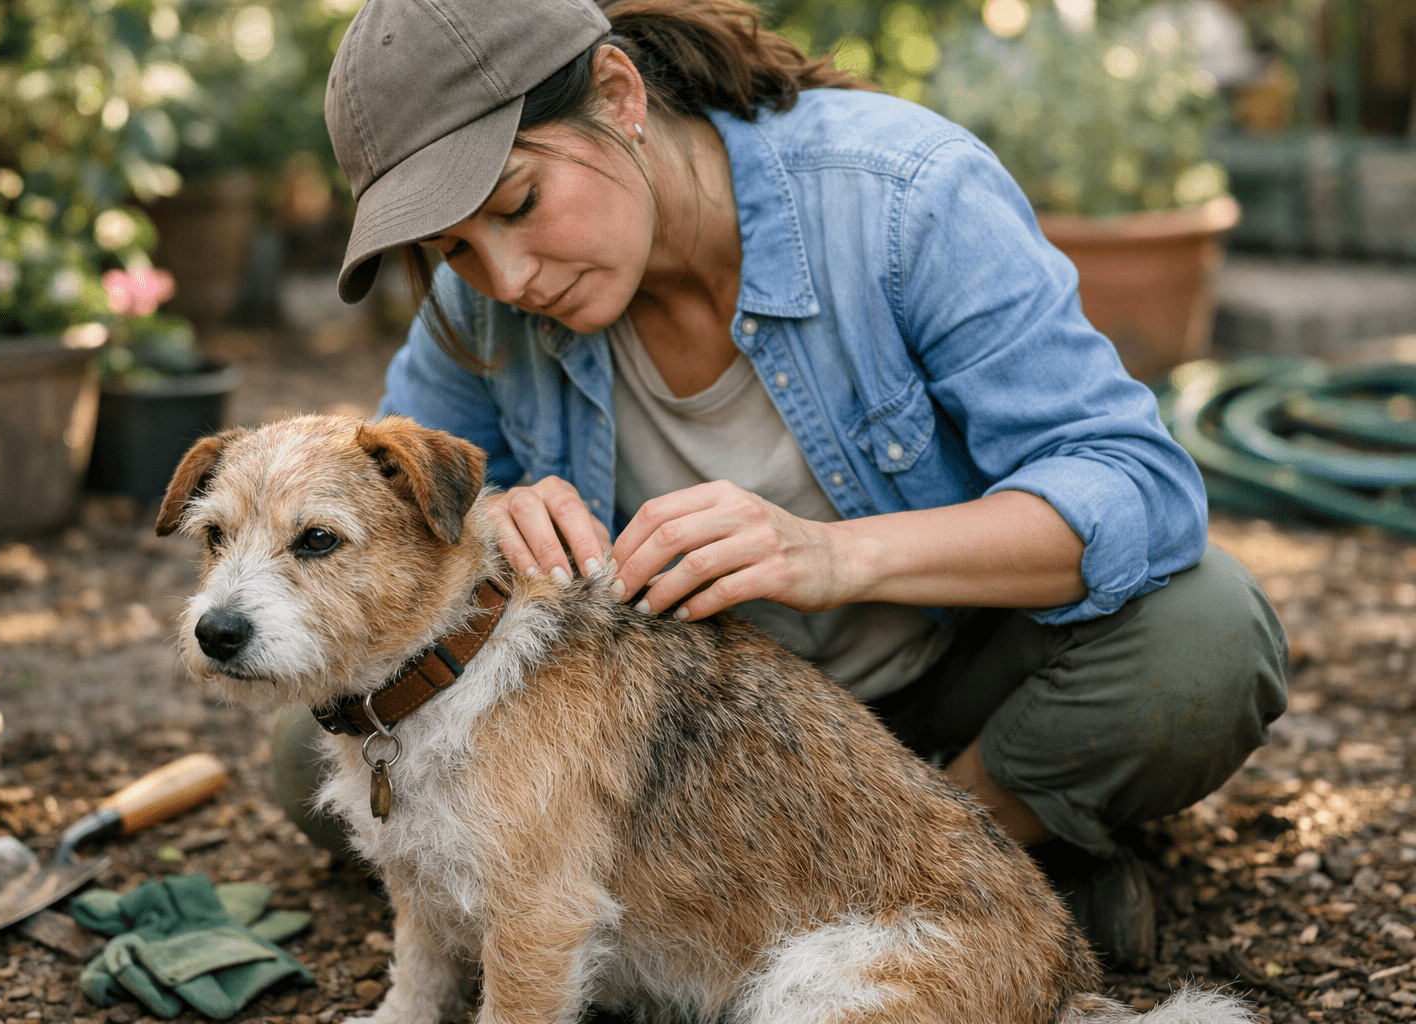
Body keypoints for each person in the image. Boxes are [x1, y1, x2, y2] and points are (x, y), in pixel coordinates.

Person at [269, 0, 1288, 966]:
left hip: (966, 687)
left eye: (520, 204)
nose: (508, 277)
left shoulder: (905, 195)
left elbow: (1137, 487)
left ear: (620, 96)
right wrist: (487, 514)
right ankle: (991, 895)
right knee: (316, 746)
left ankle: (943, 870)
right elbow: (392, 516)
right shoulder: (478, 307)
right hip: (696, 754)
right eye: (455, 249)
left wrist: (836, 554)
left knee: (1206, 640)